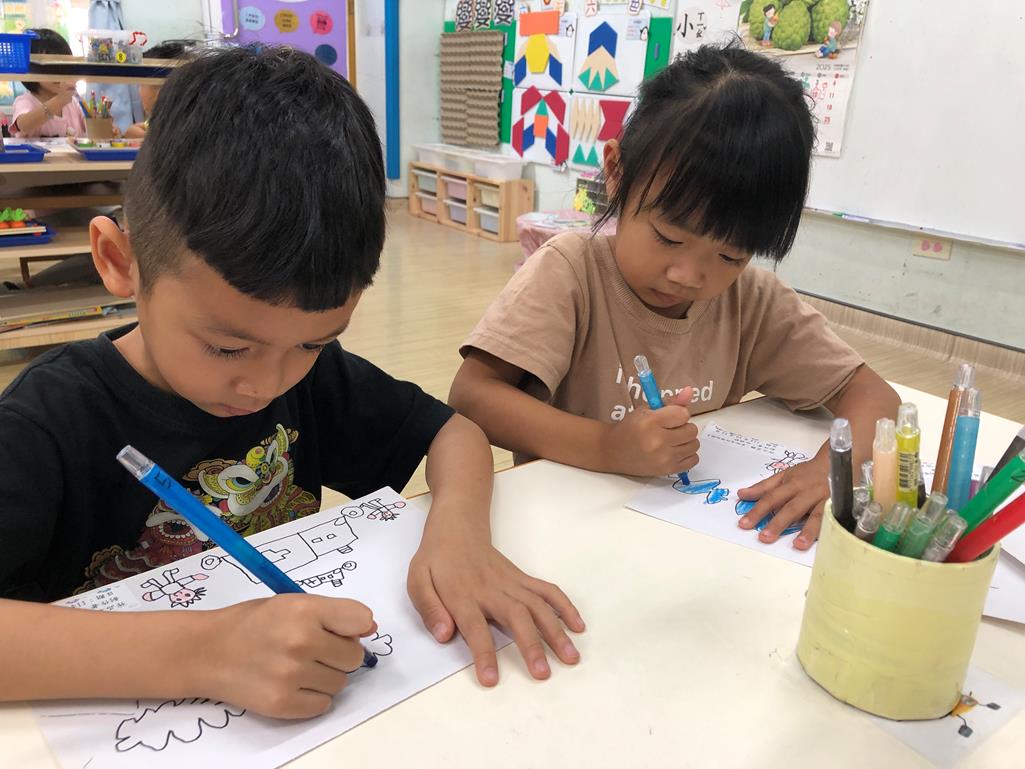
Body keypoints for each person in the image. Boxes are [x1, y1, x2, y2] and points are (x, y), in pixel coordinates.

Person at [0, 47, 583, 719]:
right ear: (118, 261)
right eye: (227, 346)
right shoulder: (42, 424)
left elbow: (454, 433)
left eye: (314, 342)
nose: (264, 384)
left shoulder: (309, 380)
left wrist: (460, 538)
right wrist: (202, 653)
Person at [450, 42, 900, 550]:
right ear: (617, 174)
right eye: (668, 237)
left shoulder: (752, 302)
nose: (688, 276)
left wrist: (831, 470)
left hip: (686, 542)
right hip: (567, 533)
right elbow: (472, 398)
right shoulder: (570, 272)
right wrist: (607, 446)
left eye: (730, 255)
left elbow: (874, 397)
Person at [11, 28, 86, 138]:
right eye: (51, 67)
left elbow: (92, 129)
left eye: (64, 66)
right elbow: (22, 126)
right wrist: (59, 100)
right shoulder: (26, 101)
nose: (58, 73)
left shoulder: (74, 103)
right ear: (31, 69)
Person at [124, 40, 194, 138]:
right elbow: (138, 128)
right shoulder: (159, 118)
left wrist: (148, 138)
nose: (139, 91)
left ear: (162, 88)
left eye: (141, 84)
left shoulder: (181, 124)